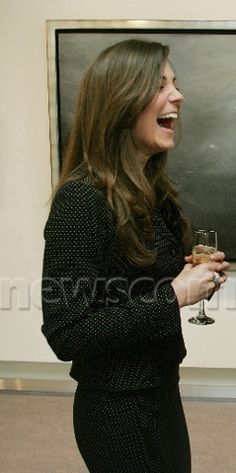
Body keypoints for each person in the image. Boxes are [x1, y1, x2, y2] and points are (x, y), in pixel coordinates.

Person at [41, 39, 229, 473]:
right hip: (117, 408)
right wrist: (175, 295)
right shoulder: (81, 200)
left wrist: (191, 275)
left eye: (175, 82)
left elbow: (134, 284)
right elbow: (65, 333)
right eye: (161, 83)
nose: (178, 95)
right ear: (121, 101)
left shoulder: (150, 191)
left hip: (161, 389)